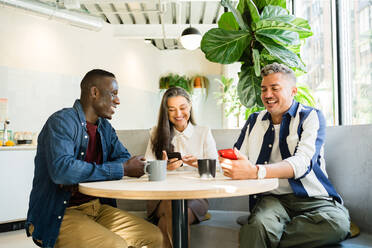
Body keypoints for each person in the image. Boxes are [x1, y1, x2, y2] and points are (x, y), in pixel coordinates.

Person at [25, 69, 162, 248]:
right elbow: (63, 171)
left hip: (97, 207)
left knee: (155, 236)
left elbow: (124, 158)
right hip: (60, 212)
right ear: (95, 93)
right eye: (113, 94)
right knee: (115, 245)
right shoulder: (61, 122)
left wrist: (80, 172)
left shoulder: (105, 128)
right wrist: (120, 169)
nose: (118, 100)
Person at [220, 63, 350, 248]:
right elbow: (237, 158)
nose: (267, 95)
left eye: (275, 88)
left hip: (313, 199)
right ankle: (268, 231)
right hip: (272, 200)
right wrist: (211, 163)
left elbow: (302, 163)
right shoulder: (254, 120)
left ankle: (270, 235)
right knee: (258, 226)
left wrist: (257, 171)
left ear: (293, 91)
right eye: (264, 89)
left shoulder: (310, 116)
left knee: (337, 225)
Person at [145, 86, 218, 248]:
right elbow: (145, 170)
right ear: (166, 112)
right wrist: (163, 167)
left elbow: (217, 169)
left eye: (183, 108)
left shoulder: (204, 132)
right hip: (161, 197)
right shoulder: (156, 133)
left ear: (190, 106)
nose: (178, 114)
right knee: (173, 208)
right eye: (172, 110)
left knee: (171, 218)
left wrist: (198, 164)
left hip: (195, 197)